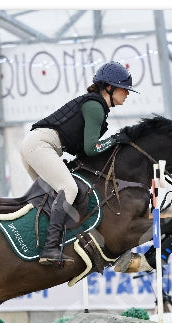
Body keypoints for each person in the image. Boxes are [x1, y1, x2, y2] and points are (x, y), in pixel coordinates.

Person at [20, 61, 137, 268]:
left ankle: (41, 243)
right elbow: (92, 149)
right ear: (109, 87)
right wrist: (116, 139)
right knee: (69, 189)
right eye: (123, 88)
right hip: (41, 145)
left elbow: (84, 150)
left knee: (52, 199)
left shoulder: (96, 106)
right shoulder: (95, 106)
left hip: (36, 145)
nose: (127, 93)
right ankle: (50, 248)